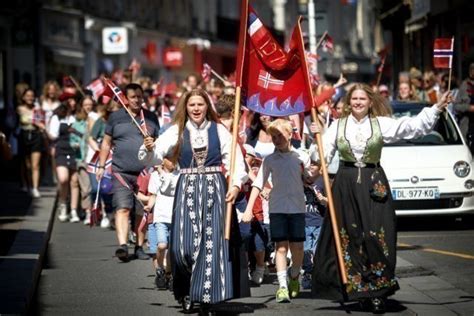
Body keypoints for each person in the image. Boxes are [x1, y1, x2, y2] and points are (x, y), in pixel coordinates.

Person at [309, 83, 452, 313]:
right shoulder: (337, 126)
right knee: (351, 237)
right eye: (354, 99)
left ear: (370, 102)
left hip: (373, 182)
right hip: (345, 184)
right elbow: (321, 157)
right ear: (348, 102)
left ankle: (378, 290)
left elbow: (412, 128)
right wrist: (316, 139)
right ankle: (360, 290)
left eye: (362, 99)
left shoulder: (381, 124)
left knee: (376, 235)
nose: (357, 102)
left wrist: (436, 108)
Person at [139, 88, 247, 311]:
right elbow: (154, 155)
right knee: (183, 247)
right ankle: (187, 288)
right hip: (187, 189)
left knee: (211, 245)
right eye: (192, 105)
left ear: (207, 106)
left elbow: (235, 159)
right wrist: (149, 148)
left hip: (214, 189)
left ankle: (207, 294)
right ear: (185, 108)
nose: (196, 109)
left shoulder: (219, 130)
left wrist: (235, 185)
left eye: (200, 104)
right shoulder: (176, 131)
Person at [242, 118, 314, 303]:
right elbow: (257, 184)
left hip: (297, 207)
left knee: (298, 247)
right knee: (281, 247)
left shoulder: (301, 157)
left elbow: (309, 179)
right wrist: (249, 209)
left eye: (280, 135)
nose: (276, 139)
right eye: (273, 136)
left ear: (290, 135)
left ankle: (295, 276)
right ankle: (282, 286)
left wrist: (310, 174)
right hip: (277, 208)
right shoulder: (270, 160)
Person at [96, 83, 159, 262]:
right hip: (120, 171)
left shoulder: (151, 118)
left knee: (141, 211)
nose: (137, 100)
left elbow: (158, 143)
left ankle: (139, 246)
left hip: (144, 173)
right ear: (125, 98)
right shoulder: (115, 117)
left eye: (140, 96)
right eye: (133, 96)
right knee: (123, 208)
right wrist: (101, 166)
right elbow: (106, 143)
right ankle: (123, 245)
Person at [144, 158, 178, 290]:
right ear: (163, 161)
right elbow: (153, 195)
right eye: (170, 159)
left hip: (175, 217)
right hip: (160, 216)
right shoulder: (154, 176)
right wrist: (149, 206)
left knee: (172, 249)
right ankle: (159, 269)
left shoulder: (179, 174)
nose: (173, 162)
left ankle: (168, 274)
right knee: (162, 245)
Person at [17, 88, 46, 197]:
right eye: (28, 95)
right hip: (24, 135)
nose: (30, 98)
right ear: (24, 97)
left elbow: (42, 124)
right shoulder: (19, 109)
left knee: (35, 165)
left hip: (36, 135)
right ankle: (27, 184)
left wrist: (41, 125)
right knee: (26, 164)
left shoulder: (37, 109)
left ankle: (35, 188)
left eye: (32, 95)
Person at [455, 62, 474, 154]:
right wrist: (469, 108)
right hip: (467, 126)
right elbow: (456, 106)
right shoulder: (464, 85)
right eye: (472, 69)